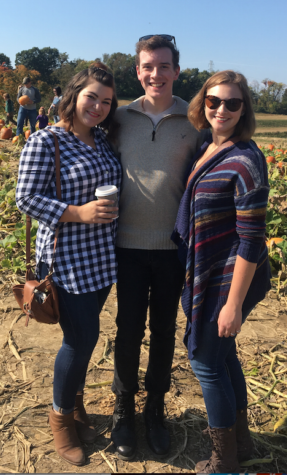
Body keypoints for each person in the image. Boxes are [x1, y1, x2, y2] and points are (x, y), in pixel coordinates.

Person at [15, 63, 121, 467]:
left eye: (106, 101)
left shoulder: (103, 141)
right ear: (74, 95)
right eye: (91, 96)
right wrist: (78, 212)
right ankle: (60, 418)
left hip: (102, 257)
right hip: (66, 259)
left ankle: (76, 409)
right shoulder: (47, 141)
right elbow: (25, 198)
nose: (97, 106)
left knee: (87, 338)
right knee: (79, 341)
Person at [110, 35, 207, 461]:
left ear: (177, 71)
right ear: (137, 71)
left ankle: (155, 409)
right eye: (148, 66)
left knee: (165, 332)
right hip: (126, 245)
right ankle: (124, 407)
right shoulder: (118, 118)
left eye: (164, 66)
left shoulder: (194, 120)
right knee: (127, 330)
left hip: (172, 247)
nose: (155, 74)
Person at [171, 70, 272, 473]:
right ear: (202, 104)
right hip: (209, 271)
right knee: (224, 355)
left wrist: (232, 306)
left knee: (205, 362)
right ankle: (242, 443)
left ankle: (224, 461)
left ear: (244, 108)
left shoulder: (246, 162)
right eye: (214, 101)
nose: (222, 109)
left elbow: (251, 240)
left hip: (230, 279)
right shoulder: (208, 146)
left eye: (233, 103)